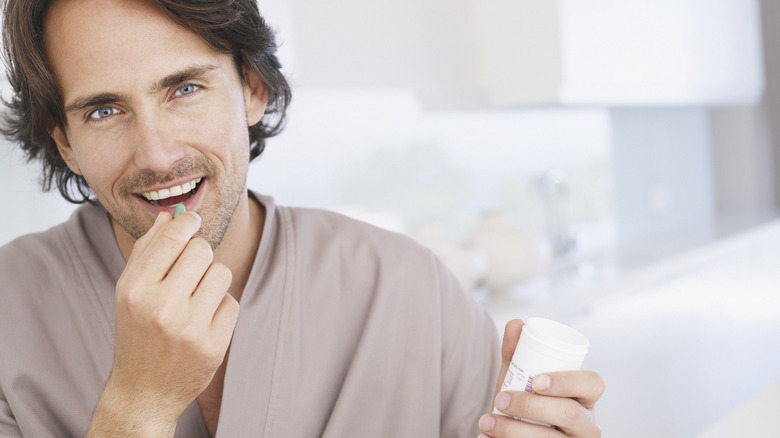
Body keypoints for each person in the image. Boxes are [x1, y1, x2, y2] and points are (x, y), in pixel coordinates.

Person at [0, 0, 605, 437]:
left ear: (253, 89)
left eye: (184, 88)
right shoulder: (10, 314)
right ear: (65, 143)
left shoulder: (412, 295)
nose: (157, 155)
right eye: (104, 110)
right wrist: (137, 407)